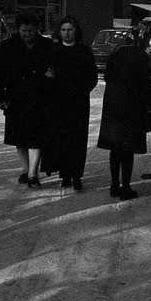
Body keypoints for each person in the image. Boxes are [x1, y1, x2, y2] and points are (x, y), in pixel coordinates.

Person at [0, 12, 54, 188]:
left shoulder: (47, 46)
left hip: (39, 97)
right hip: (16, 97)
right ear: (18, 29)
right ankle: (25, 170)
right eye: (24, 30)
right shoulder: (8, 46)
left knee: (36, 136)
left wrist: (52, 77)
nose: (27, 34)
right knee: (19, 137)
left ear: (37, 30)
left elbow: (54, 68)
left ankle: (33, 174)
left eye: (31, 30)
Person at [97, 25, 151, 201]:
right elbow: (144, 84)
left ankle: (114, 185)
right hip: (131, 108)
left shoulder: (116, 52)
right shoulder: (140, 55)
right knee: (127, 149)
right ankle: (126, 187)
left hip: (113, 107)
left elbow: (107, 77)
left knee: (115, 149)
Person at [43, 16, 98, 191]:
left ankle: (76, 175)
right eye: (64, 30)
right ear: (59, 32)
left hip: (78, 102)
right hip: (58, 103)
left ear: (76, 31)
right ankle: (65, 174)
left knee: (78, 139)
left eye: (70, 30)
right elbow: (48, 74)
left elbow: (92, 76)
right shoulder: (54, 50)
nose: (67, 33)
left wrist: (81, 90)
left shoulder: (84, 51)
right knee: (62, 139)